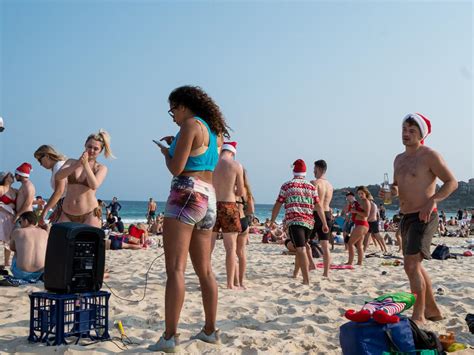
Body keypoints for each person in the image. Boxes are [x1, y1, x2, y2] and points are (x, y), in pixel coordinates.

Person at [149, 85, 230, 352]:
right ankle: (210, 330)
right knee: (205, 270)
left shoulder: (190, 125)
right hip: (209, 198)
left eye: (172, 109)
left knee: (175, 269)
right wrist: (177, 144)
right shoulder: (215, 133)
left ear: (183, 106)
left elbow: (177, 167)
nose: (172, 115)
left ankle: (170, 337)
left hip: (186, 192)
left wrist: (166, 152)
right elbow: (200, 156)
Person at [384, 113, 458, 325]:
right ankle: (432, 309)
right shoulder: (398, 158)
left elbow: (452, 182)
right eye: (404, 130)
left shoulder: (429, 155)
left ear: (421, 135)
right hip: (406, 216)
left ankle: (419, 316)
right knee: (415, 265)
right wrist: (391, 192)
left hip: (425, 216)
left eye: (411, 131)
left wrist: (432, 201)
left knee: (410, 265)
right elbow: (398, 186)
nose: (406, 134)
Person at [269, 159, 328, 285]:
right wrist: (324, 223)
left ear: (294, 171)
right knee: (300, 246)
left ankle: (306, 279)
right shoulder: (311, 187)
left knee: (300, 249)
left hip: (295, 221)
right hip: (309, 223)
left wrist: (272, 221)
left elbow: (278, 204)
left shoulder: (287, 185)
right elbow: (318, 206)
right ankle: (295, 273)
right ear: (305, 173)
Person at [55, 130, 113, 227]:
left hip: (89, 214)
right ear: (85, 145)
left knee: (89, 241)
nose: (91, 150)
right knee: (63, 241)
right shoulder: (71, 162)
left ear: (100, 151)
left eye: (96, 149)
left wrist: (86, 164)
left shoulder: (101, 168)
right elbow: (58, 176)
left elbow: (94, 185)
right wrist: (78, 164)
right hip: (66, 213)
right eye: (89, 146)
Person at [211, 141, 244, 289]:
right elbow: (240, 192)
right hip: (229, 206)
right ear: (233, 152)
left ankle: (206, 280)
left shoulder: (212, 164)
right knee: (231, 249)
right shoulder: (236, 165)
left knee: (208, 248)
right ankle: (230, 284)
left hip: (212, 205)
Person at [310, 160, 334, 278]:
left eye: (314, 169)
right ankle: (326, 273)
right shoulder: (330, 186)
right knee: (325, 245)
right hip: (327, 213)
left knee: (305, 242)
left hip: (316, 214)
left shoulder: (315, 183)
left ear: (318, 169)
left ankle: (311, 264)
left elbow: (312, 202)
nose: (313, 171)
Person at [33, 145, 67, 225]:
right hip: (64, 205)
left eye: (40, 160)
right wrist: (56, 210)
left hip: (67, 205)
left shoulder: (58, 166)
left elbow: (59, 191)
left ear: (47, 156)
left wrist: (44, 212)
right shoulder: (58, 166)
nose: (40, 164)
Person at [9, 211, 48, 282]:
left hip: (21, 273)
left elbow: (12, 248)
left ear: (25, 221)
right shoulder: (44, 232)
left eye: (20, 222)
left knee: (17, 251)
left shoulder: (18, 232)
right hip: (40, 273)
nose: (20, 224)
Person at [235, 169, 255, 289]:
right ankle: (242, 280)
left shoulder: (231, 188)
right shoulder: (246, 191)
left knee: (232, 252)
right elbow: (251, 210)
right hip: (244, 221)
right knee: (241, 253)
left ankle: (235, 280)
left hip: (233, 221)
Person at [346, 186, 371, 266]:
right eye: (359, 193)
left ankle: (350, 262)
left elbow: (366, 214)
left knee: (350, 243)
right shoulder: (362, 201)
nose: (360, 195)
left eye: (362, 193)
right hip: (360, 224)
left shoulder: (366, 201)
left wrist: (356, 211)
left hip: (362, 224)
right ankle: (359, 262)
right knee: (359, 245)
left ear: (366, 193)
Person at [0, 172, 17, 267]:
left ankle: (6, 263)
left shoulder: (15, 191)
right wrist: (7, 206)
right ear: (5, 178)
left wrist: (38, 202)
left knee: (9, 241)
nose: (13, 176)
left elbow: (25, 199)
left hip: (10, 218)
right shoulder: (1, 188)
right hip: (1, 217)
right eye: (10, 175)